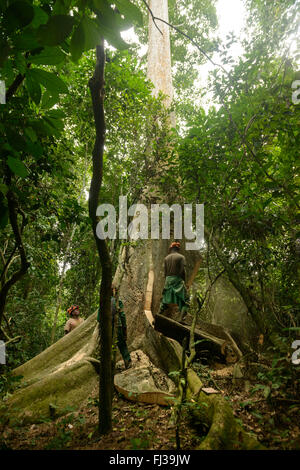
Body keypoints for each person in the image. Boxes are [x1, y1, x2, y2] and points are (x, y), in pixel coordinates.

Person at [97, 285, 132, 369]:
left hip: (106, 328)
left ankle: (108, 365)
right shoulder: (117, 301)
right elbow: (122, 316)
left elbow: (98, 318)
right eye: (115, 290)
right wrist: (124, 328)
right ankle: (127, 361)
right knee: (122, 344)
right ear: (113, 291)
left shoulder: (103, 302)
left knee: (107, 346)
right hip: (118, 326)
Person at [159, 241, 189, 322]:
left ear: (171, 249)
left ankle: (158, 316)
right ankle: (181, 319)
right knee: (186, 300)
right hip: (178, 279)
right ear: (178, 249)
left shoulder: (166, 258)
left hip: (168, 280)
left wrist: (168, 281)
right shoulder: (181, 257)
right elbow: (183, 270)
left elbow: (165, 273)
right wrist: (184, 282)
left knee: (164, 300)